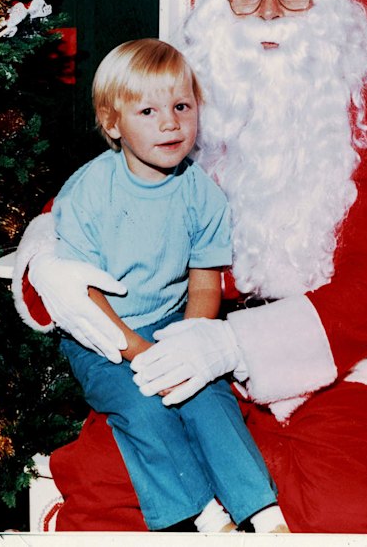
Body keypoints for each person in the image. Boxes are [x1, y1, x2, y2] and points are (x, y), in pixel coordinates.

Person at [12, 0, 367, 533]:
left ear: (325, 7)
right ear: (219, 10)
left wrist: (235, 344)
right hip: (186, 349)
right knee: (111, 487)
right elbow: (93, 194)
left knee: (338, 512)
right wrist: (48, 263)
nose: (269, 11)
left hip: (346, 368)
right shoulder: (184, 110)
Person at [44, 37, 288, 534]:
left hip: (168, 323)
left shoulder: (202, 193)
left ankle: (262, 512)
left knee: (207, 394)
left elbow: (204, 283)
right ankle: (202, 513)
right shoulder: (89, 191)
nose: (170, 122)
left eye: (181, 106)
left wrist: (190, 342)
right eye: (148, 111)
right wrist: (137, 351)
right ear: (114, 123)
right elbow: (84, 296)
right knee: (142, 404)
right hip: (102, 335)